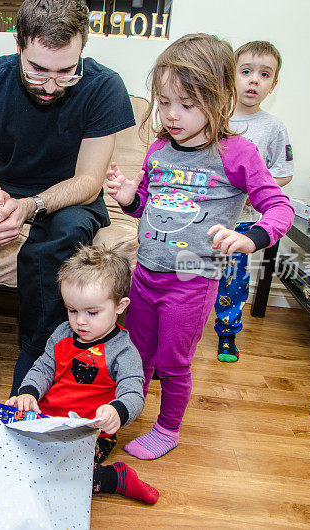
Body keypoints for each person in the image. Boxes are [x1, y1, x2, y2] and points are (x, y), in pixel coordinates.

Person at [0, 0, 136, 397]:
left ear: (82, 51)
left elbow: (89, 180)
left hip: (69, 193)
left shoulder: (105, 87)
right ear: (19, 44)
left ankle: (36, 364)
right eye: (37, 70)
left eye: (65, 72)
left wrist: (31, 207)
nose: (52, 85)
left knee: (64, 235)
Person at [106, 34, 295, 460]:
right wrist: (127, 198)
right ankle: (132, 408)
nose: (172, 115)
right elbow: (150, 209)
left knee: (173, 362)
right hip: (146, 272)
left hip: (192, 279)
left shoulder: (236, 154)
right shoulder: (158, 148)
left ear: (221, 97)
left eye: (187, 105)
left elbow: (280, 208)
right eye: (165, 102)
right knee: (137, 353)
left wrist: (250, 238)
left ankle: (168, 428)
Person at [6, 245, 158, 503]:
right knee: (7, 450)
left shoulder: (123, 351)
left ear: (120, 306)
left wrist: (117, 411)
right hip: (45, 420)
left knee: (63, 474)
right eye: (72, 310)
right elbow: (43, 368)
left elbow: (133, 393)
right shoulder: (63, 333)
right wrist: (28, 393)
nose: (80, 322)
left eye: (92, 312)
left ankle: (115, 478)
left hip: (90, 433)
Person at [215, 40, 294, 362]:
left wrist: (255, 185)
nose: (254, 80)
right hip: (209, 218)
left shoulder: (274, 128)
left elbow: (284, 174)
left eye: (264, 75)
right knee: (188, 273)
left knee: (234, 280)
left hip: (245, 223)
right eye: (246, 72)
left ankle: (228, 333)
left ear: (273, 85)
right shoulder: (215, 118)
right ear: (231, 76)